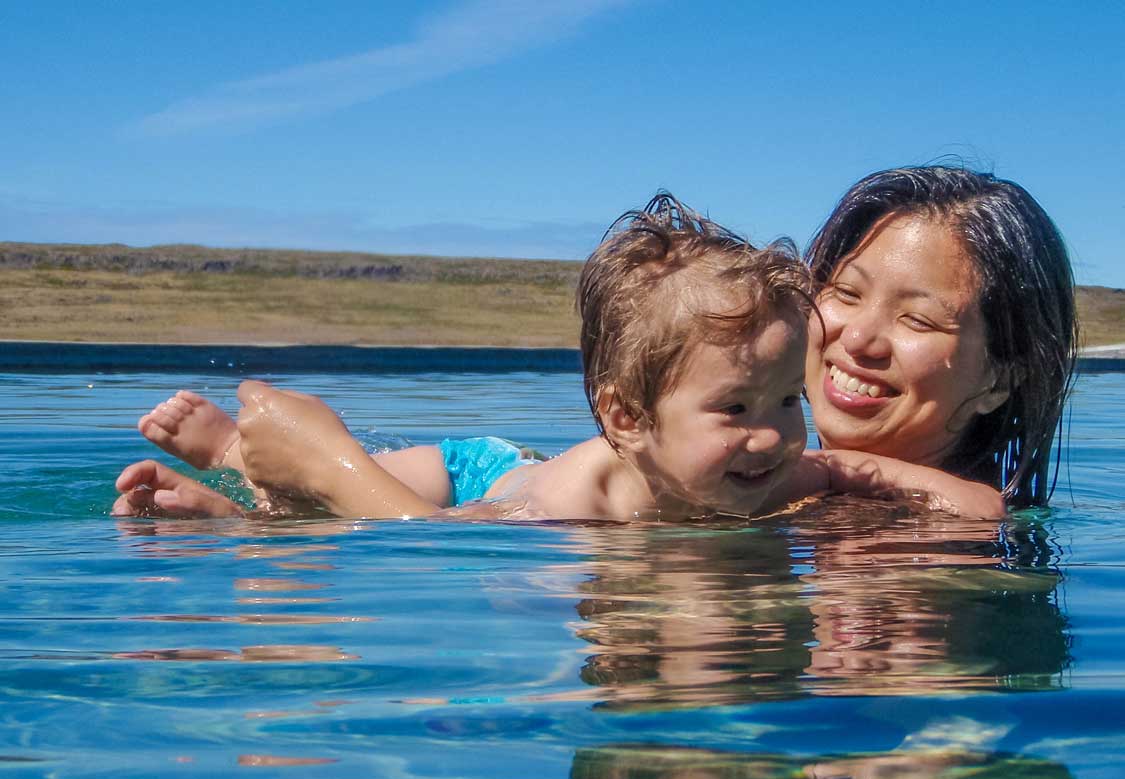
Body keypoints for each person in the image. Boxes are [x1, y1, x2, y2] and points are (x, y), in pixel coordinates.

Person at [114, 193, 1003, 522]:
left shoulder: (780, 467)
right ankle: (243, 458)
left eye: (783, 404)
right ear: (624, 416)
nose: (773, 436)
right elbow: (413, 535)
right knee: (311, 498)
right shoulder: (576, 502)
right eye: (737, 409)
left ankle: (231, 502)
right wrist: (331, 465)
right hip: (486, 482)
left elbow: (965, 504)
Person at [802, 165, 1078, 507]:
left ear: (998, 383)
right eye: (846, 292)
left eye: (918, 320)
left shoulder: (966, 529)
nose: (857, 338)